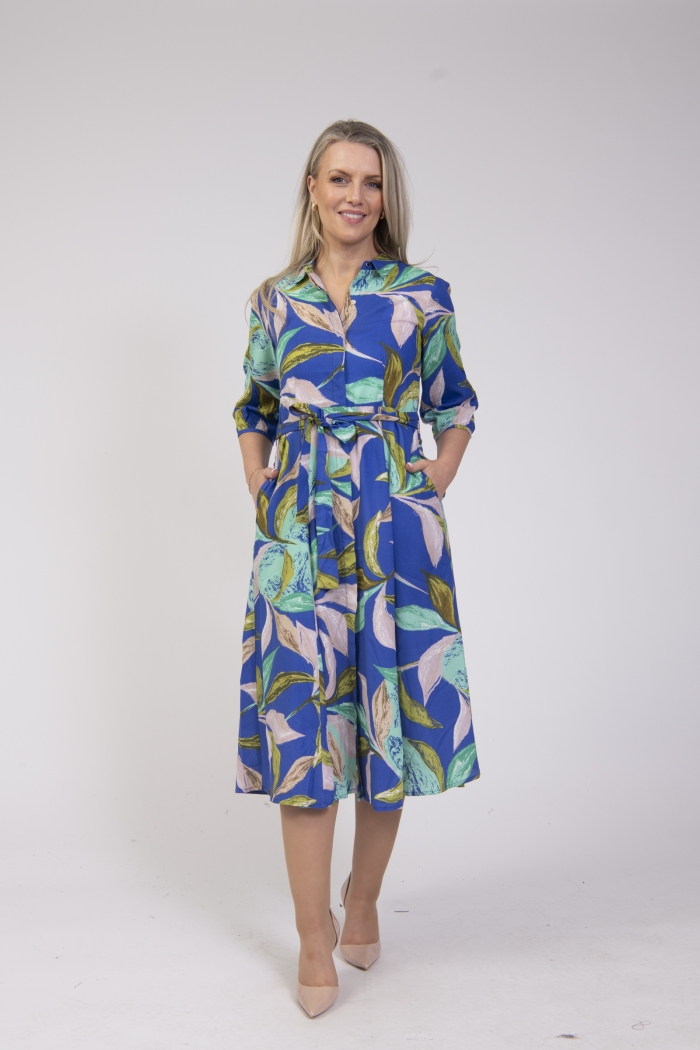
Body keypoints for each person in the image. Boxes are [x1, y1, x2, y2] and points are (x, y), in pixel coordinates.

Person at [234, 119, 479, 1017]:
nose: (355, 196)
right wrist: (261, 485)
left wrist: (433, 481)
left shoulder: (421, 296)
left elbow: (456, 404)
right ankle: (312, 936)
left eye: (370, 183)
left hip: (393, 529)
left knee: (388, 720)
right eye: (339, 179)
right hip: (299, 532)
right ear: (313, 187)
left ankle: (364, 898)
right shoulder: (274, 301)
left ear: (385, 196)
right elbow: (254, 406)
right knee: (304, 725)